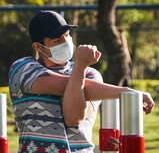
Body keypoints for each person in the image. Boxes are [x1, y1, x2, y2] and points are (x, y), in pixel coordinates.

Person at [9, 10, 155, 153]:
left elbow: (74, 118)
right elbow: (66, 85)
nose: (66, 42)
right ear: (38, 47)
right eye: (57, 40)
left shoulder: (91, 74)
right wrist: (127, 91)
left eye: (66, 35)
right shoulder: (22, 69)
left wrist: (80, 68)